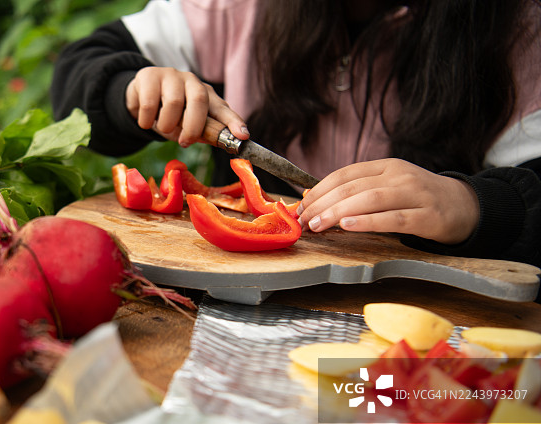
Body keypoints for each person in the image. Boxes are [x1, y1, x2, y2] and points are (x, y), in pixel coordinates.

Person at [50, 0, 541, 275]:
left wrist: (474, 205)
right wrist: (132, 88)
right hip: (241, 305)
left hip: (429, 334)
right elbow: (80, 69)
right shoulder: (239, 7)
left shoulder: (518, 31)